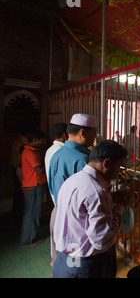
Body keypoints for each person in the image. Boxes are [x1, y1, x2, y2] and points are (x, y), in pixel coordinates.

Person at [52, 140, 130, 278]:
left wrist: (110, 197)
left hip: (64, 260)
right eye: (119, 165)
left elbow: (81, 211)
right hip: (86, 266)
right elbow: (102, 239)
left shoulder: (73, 180)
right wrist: (120, 206)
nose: (119, 170)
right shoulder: (97, 191)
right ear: (106, 163)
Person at [48, 113, 97, 207]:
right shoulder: (83, 159)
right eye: (94, 133)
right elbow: (90, 195)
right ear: (82, 133)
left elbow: (52, 188)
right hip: (77, 215)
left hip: (59, 210)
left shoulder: (56, 155)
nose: (95, 137)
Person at [44, 122, 68, 265]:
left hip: (56, 200)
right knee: (63, 238)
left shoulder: (50, 150)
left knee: (57, 236)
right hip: (61, 202)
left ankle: (55, 260)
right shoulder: (61, 153)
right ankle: (59, 264)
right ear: (66, 135)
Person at [19, 128, 47, 247]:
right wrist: (48, 162)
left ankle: (30, 238)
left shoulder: (30, 151)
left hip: (30, 185)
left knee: (31, 213)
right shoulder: (30, 153)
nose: (42, 143)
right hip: (33, 185)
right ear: (35, 140)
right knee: (33, 213)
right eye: (41, 141)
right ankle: (29, 240)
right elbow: (39, 170)